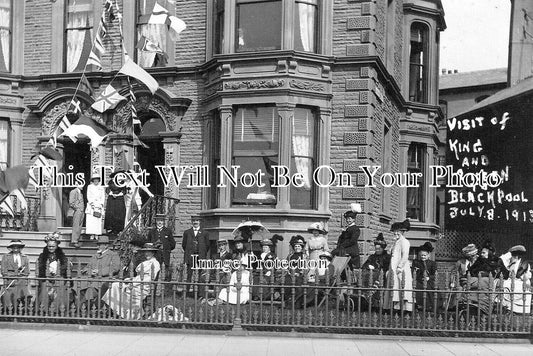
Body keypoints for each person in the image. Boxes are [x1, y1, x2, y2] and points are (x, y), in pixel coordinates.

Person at [102, 243, 161, 319]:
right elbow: (139, 277)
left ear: (153, 253)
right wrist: (131, 279)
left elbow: (148, 278)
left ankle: (126, 313)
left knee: (115, 286)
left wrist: (133, 282)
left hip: (143, 286)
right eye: (145, 252)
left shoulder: (155, 264)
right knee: (114, 285)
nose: (146, 254)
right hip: (137, 282)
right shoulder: (145, 262)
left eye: (149, 252)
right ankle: (116, 310)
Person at [77, 235, 121, 308]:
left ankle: (84, 309)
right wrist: (90, 271)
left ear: (106, 245)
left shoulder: (113, 255)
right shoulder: (95, 255)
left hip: (103, 279)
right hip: (91, 278)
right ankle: (77, 307)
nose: (98, 246)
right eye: (98, 244)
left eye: (100, 245)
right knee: (76, 284)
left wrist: (99, 272)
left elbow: (115, 268)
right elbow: (86, 267)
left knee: (91, 289)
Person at [36, 233, 70, 311]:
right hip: (46, 277)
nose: (51, 248)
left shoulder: (62, 256)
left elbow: (64, 265)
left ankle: (57, 308)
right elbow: (40, 266)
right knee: (45, 285)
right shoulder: (42, 256)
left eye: (53, 246)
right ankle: (43, 308)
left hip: (58, 276)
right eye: (49, 246)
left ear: (57, 246)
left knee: (60, 284)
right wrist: (48, 272)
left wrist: (57, 272)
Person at [384, 219, 413, 312]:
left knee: (401, 286)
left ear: (403, 232)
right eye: (394, 232)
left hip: (401, 268)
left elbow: (405, 255)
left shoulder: (404, 242)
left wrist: (400, 267)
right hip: (393, 267)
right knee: (395, 286)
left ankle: (404, 308)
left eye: (398, 232)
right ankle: (395, 307)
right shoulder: (396, 242)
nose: (396, 234)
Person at [499, 245, 531, 314]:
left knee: (524, 289)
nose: (515, 257)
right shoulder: (508, 262)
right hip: (510, 281)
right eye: (513, 255)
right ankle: (507, 308)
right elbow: (502, 260)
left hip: (520, 282)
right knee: (505, 285)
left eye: (516, 255)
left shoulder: (524, 263)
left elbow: (520, 274)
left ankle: (518, 311)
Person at [1, 240, 31, 311]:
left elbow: (27, 272)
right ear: (11, 247)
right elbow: (3, 271)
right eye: (14, 247)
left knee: (23, 283)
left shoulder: (25, 257)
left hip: (21, 279)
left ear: (20, 248)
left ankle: (22, 305)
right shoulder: (6, 257)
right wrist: (13, 275)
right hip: (10, 279)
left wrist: (20, 274)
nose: (16, 248)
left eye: (18, 247)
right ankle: (11, 307)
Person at [147, 214, 176, 282]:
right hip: (155, 255)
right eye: (158, 221)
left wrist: (165, 247)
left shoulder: (167, 231)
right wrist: (154, 245)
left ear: (163, 222)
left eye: (161, 221)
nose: (160, 222)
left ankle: (165, 287)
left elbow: (173, 244)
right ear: (156, 221)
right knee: (154, 272)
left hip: (165, 254)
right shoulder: (152, 232)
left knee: (165, 272)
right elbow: (148, 243)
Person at [182, 215, 210, 283]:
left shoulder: (205, 233)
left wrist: (202, 252)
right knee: (189, 275)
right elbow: (184, 245)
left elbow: (207, 245)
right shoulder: (187, 232)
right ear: (192, 222)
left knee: (200, 275)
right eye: (194, 221)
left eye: (197, 221)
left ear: (200, 222)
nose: (195, 222)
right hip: (190, 256)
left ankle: (199, 293)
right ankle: (187, 292)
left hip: (200, 256)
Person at [411, 242, 437, 311]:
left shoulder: (432, 263)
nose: (423, 257)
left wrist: (429, 278)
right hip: (419, 280)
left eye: (424, 255)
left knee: (429, 289)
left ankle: (429, 306)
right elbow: (413, 272)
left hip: (429, 281)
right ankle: (418, 305)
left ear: (428, 255)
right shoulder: (416, 262)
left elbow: (435, 274)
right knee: (417, 289)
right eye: (421, 255)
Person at [85, 174, 105, 239]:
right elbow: (88, 195)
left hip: (98, 205)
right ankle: (91, 234)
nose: (96, 181)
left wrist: (101, 204)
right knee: (91, 220)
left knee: (97, 220)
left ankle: (97, 234)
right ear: (93, 180)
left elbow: (103, 196)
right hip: (92, 206)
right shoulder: (90, 187)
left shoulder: (101, 187)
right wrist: (91, 203)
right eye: (94, 180)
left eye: (97, 180)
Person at [68, 183, 85, 248]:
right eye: (81, 184)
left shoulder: (80, 193)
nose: (82, 186)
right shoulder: (73, 191)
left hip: (81, 210)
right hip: (77, 211)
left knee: (79, 226)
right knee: (76, 226)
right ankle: (74, 241)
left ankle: (76, 240)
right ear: (77, 184)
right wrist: (77, 208)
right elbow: (71, 202)